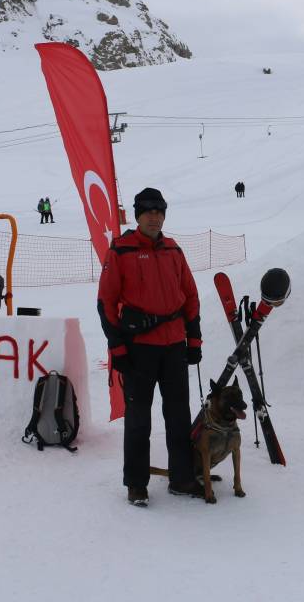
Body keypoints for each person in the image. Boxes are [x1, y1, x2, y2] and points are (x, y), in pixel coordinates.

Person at [97, 187, 204, 506]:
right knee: (139, 418)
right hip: (138, 350)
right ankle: (136, 484)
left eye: (159, 210)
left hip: (173, 346)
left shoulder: (173, 250)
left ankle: (182, 478)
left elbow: (191, 297)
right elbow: (105, 302)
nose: (154, 216)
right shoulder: (121, 249)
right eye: (148, 210)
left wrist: (194, 340)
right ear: (137, 214)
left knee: (178, 416)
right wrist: (117, 349)